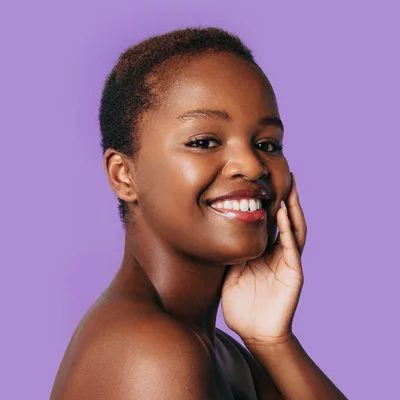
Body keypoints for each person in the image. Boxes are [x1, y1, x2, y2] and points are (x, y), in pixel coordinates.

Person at [50, 27, 346, 399]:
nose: (251, 166)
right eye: (204, 142)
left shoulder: (222, 351)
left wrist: (272, 341)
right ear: (123, 175)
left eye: (267, 143)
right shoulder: (151, 353)